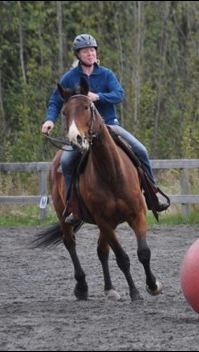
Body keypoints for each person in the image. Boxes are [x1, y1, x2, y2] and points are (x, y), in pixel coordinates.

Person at [41, 33, 169, 223]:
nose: (90, 54)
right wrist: (50, 120)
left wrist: (98, 97)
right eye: (85, 51)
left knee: (141, 150)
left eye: (92, 50)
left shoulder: (106, 74)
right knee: (66, 162)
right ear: (78, 55)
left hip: (109, 126)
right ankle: (72, 207)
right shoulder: (69, 77)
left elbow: (119, 94)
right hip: (82, 132)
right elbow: (55, 101)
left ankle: (153, 194)